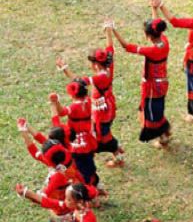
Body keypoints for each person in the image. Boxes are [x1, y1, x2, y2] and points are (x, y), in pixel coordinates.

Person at [55, 21, 124, 167]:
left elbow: (79, 81)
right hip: (109, 105)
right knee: (102, 133)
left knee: (103, 136)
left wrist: (65, 68)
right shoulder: (108, 65)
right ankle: (115, 151)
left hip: (102, 110)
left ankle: (117, 154)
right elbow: (110, 47)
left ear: (95, 64)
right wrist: (108, 31)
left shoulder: (100, 76)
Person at [112, 13, 171, 147]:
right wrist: (154, 8)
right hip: (162, 83)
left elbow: (126, 47)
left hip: (152, 87)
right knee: (157, 109)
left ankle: (163, 138)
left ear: (148, 36)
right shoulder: (164, 42)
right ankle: (165, 132)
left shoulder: (151, 50)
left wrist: (113, 30)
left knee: (149, 114)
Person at [50, 81, 99, 187]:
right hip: (88, 139)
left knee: (79, 166)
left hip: (76, 142)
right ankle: (95, 181)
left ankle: (86, 185)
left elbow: (62, 113)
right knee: (89, 161)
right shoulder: (89, 101)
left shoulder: (74, 107)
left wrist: (56, 102)